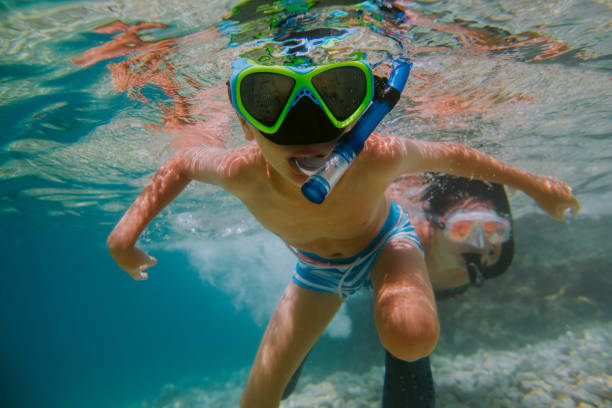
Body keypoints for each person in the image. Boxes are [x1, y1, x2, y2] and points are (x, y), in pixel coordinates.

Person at [106, 48, 580, 407]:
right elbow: (181, 163)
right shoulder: (238, 169)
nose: (308, 137)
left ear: (360, 118)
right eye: (270, 103)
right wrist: (123, 235)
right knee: (258, 400)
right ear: (247, 125)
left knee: (411, 334)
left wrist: (536, 186)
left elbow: (458, 157)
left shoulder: (379, 156)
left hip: (387, 244)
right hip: (314, 271)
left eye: (336, 103)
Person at [281, 173, 519, 407]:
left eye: (493, 230)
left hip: (442, 291)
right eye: (462, 229)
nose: (480, 243)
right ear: (437, 224)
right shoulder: (406, 240)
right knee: (402, 322)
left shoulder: (496, 254)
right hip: (378, 279)